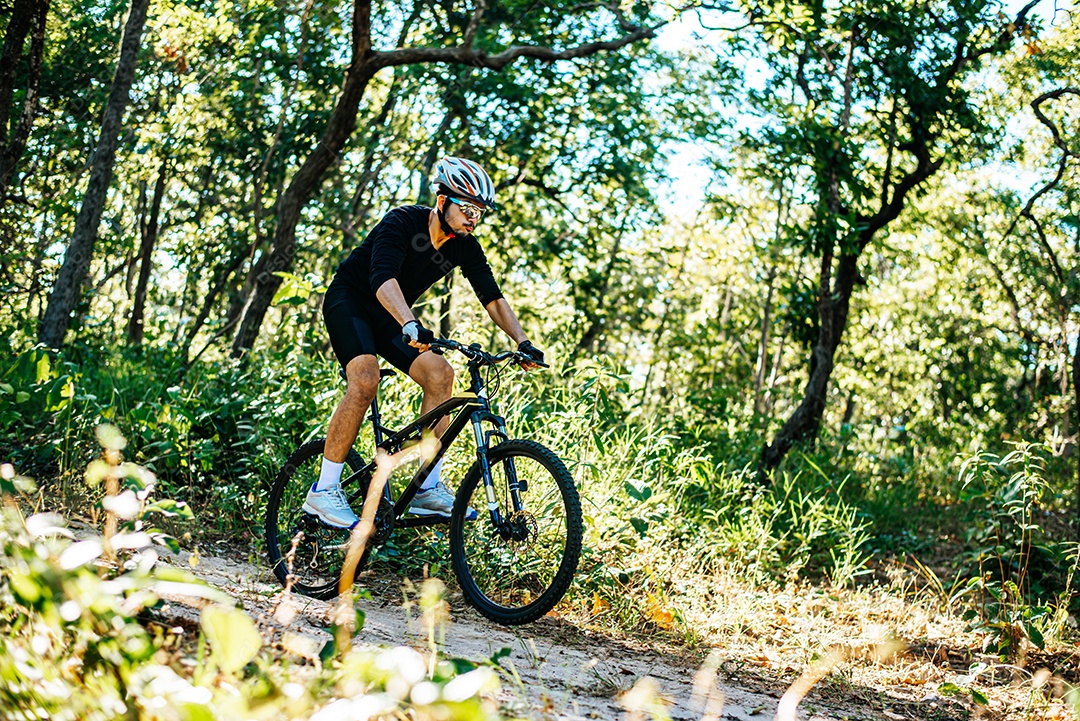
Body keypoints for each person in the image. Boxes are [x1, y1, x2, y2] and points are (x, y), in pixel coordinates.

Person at [303, 157, 545, 528]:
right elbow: (382, 277)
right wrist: (410, 322)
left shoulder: (463, 245)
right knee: (365, 380)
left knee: (440, 374)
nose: (473, 218)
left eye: (480, 211)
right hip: (351, 300)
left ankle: (426, 489)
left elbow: (492, 297)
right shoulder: (403, 222)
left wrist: (523, 341)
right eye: (467, 208)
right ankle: (324, 491)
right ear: (442, 199)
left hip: (392, 316)